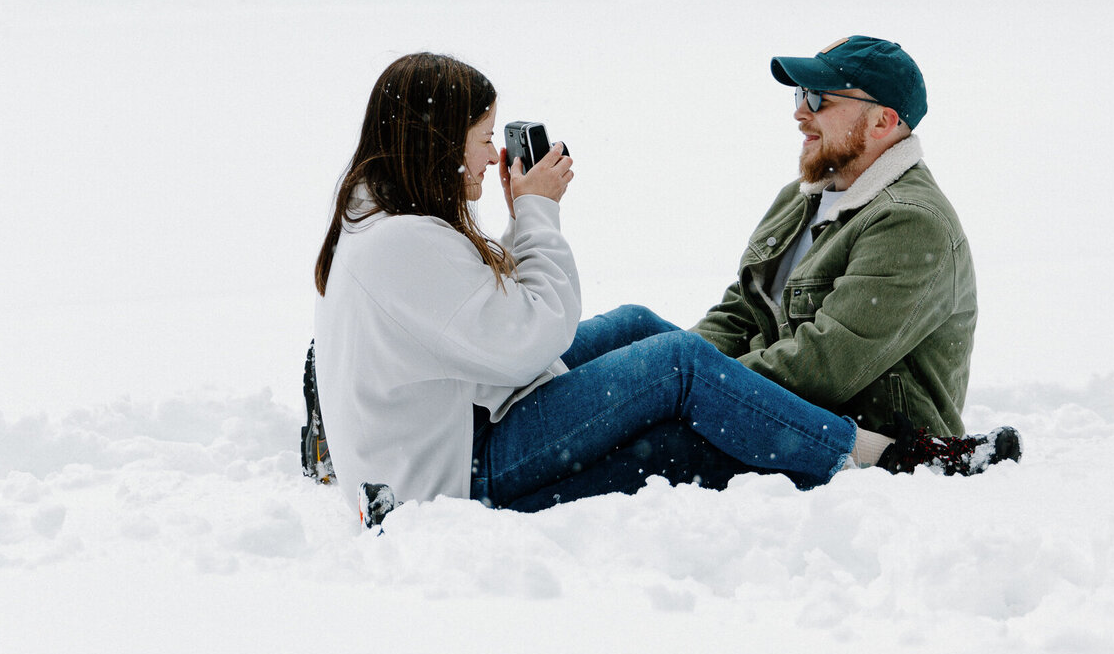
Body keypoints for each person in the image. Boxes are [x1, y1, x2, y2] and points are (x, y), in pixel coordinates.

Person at [311, 50, 1019, 520]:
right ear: (437, 143)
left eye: (817, 97)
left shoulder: (386, 218)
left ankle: (729, 406)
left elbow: (495, 325)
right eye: (482, 135)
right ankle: (888, 458)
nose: (494, 152)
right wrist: (536, 212)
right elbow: (529, 338)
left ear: (882, 120)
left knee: (643, 332)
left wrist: (707, 389)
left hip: (458, 423)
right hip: (459, 467)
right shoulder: (408, 239)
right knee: (676, 374)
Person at [693, 35, 999, 465]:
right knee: (635, 327)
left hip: (858, 452)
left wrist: (697, 385)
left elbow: (822, 368)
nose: (800, 113)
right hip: (761, 414)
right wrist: (679, 365)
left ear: (882, 122)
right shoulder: (800, 199)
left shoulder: (911, 223)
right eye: (801, 94)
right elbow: (740, 314)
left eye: (819, 98)